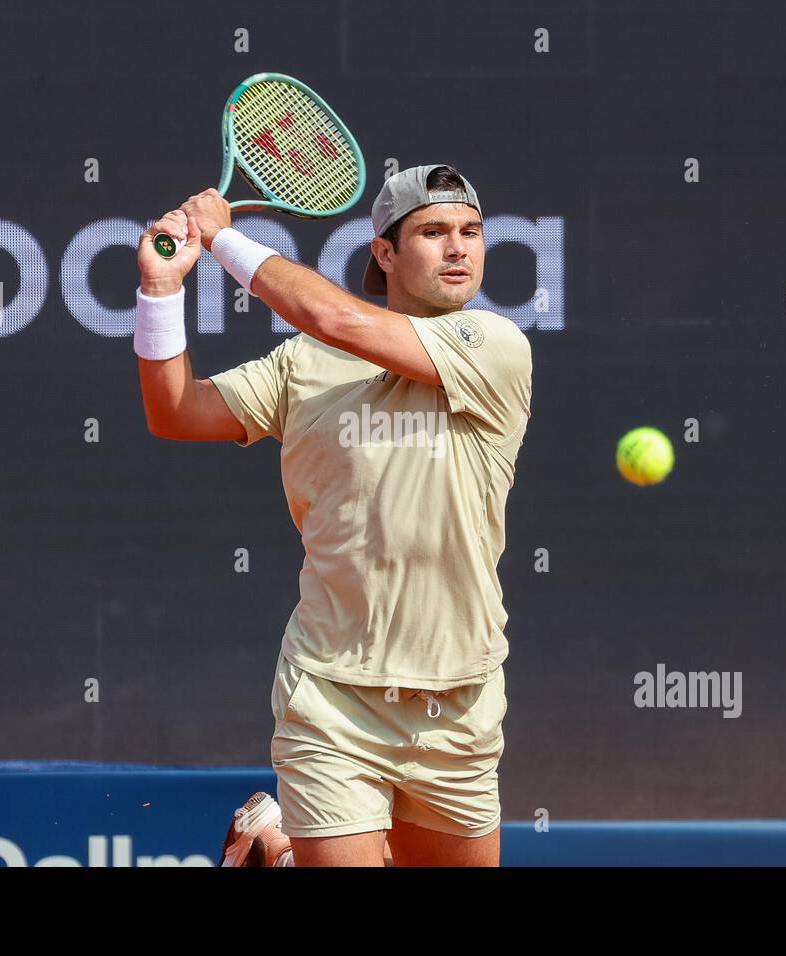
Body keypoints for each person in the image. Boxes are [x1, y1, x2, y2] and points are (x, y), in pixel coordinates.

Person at [135, 164, 532, 866]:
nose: (459, 249)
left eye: (471, 232)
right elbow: (175, 413)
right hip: (332, 693)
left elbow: (337, 316)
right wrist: (161, 293)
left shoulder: (497, 347)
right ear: (384, 252)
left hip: (461, 698)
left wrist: (226, 242)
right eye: (434, 232)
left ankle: (274, 849)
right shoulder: (303, 366)